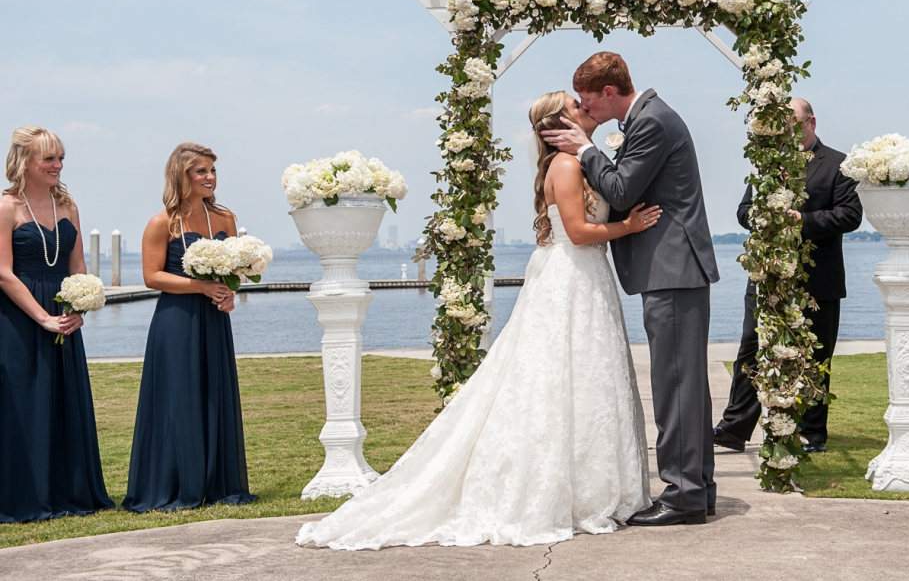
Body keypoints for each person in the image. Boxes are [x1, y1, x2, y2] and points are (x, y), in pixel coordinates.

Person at [297, 92, 658, 549]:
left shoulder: (578, 162)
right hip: (572, 275)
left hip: (587, 277)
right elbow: (579, 231)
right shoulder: (566, 166)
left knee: (586, 377)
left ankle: (592, 486)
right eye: (574, 105)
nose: (584, 106)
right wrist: (630, 227)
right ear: (556, 125)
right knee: (559, 376)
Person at [543, 52, 720, 527]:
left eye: (586, 100)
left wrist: (586, 150)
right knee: (685, 384)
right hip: (672, 269)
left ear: (608, 92)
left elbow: (621, 191)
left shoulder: (652, 121)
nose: (585, 109)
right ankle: (698, 489)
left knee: (676, 384)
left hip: (672, 268)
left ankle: (683, 495)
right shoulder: (647, 119)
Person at [712, 99, 862, 454]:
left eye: (792, 125)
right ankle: (734, 428)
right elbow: (743, 211)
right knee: (751, 349)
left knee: (815, 356)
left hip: (819, 278)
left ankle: (813, 434)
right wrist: (764, 217)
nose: (785, 133)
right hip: (768, 276)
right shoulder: (767, 163)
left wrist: (801, 221)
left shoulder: (839, 164)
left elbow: (850, 216)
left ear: (812, 122)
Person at [121, 142, 256, 512]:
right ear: (182, 175)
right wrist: (200, 286)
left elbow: (232, 272)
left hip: (214, 318)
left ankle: (216, 482)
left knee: (214, 393)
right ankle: (177, 483)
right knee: (179, 398)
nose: (210, 177)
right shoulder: (162, 222)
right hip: (176, 320)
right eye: (201, 171)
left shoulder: (225, 219)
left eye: (213, 170)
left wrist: (229, 295)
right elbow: (152, 276)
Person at [0, 127, 114, 523]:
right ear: (24, 161)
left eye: (60, 157)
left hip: (64, 317)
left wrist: (78, 308)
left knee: (62, 400)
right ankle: (24, 495)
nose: (58, 165)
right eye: (49, 158)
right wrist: (42, 317)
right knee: (25, 401)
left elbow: (77, 266)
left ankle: (69, 491)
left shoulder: (67, 205)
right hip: (18, 318)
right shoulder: (6, 207)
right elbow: (3, 273)